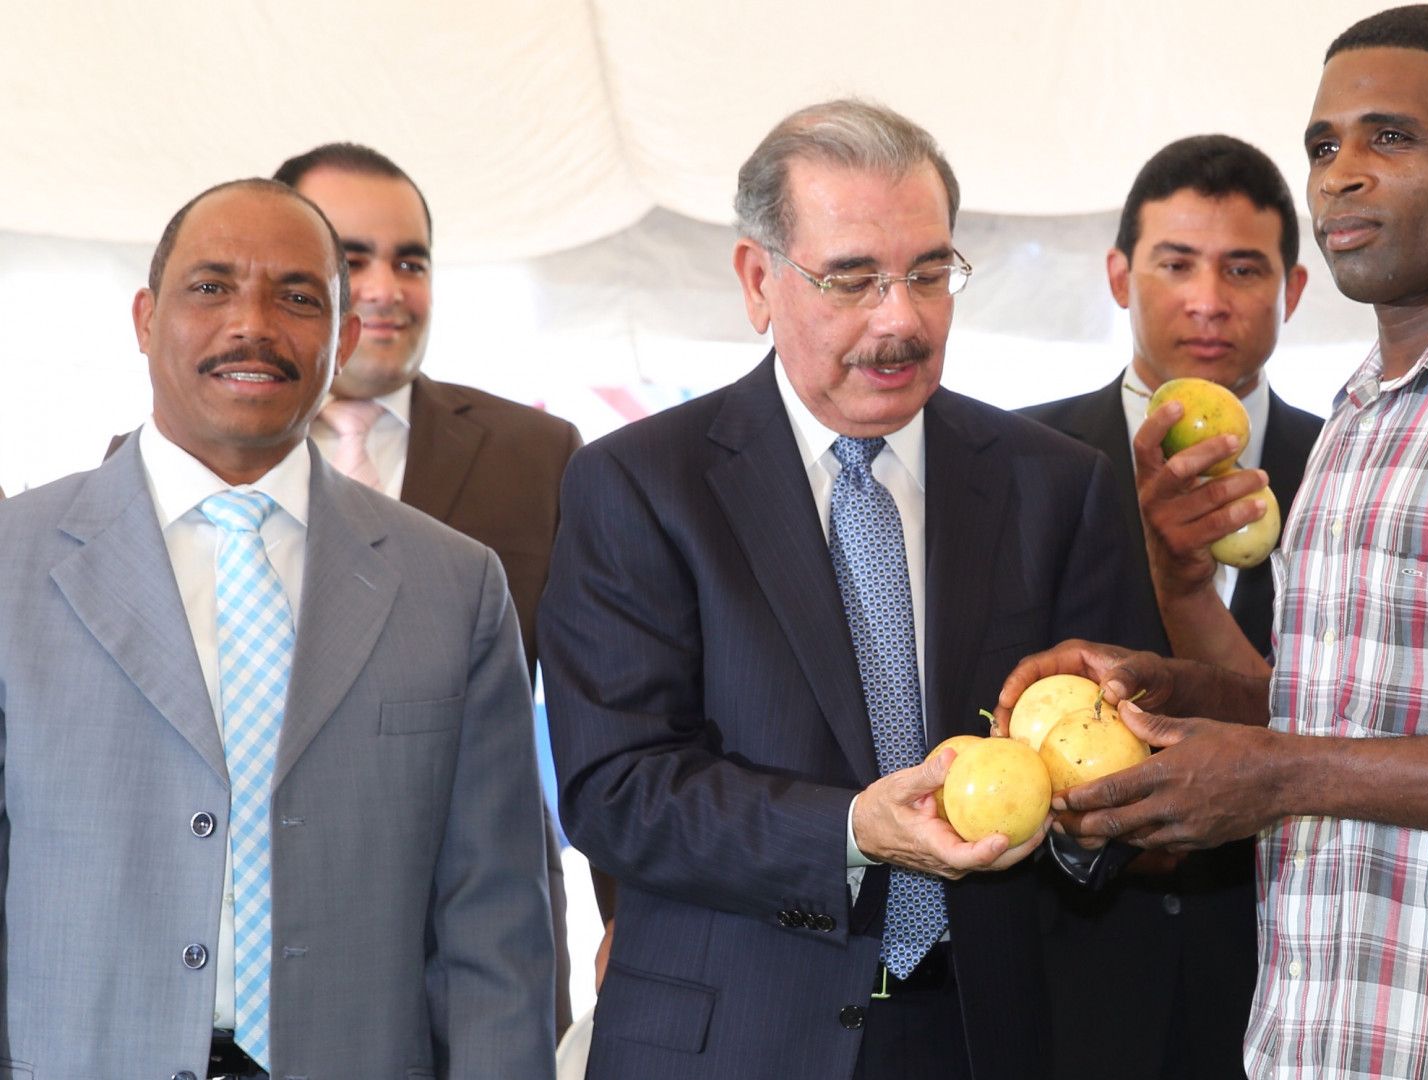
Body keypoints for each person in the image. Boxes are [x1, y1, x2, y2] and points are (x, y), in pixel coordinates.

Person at [1000, 7, 1428, 1076]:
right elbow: (1349, 715)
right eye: (1324, 146)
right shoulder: (1362, 416)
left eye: (1391, 137)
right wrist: (1168, 690)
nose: (1341, 175)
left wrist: (1282, 776)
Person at [539, 99, 1132, 1079]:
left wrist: (1087, 818)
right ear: (757, 280)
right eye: (853, 279)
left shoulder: (1056, 485)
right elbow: (617, 789)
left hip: (981, 1035)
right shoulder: (640, 484)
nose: (901, 319)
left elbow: (1116, 774)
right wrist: (855, 830)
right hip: (736, 1039)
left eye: (929, 274)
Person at [0, 179, 554, 1077]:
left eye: (297, 298)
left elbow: (495, 925)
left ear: (342, 339)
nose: (252, 325)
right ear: (145, 318)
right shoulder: (13, 564)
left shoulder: (454, 587)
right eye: (210, 287)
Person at [1019, 134, 1321, 1080]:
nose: (1208, 300)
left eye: (1244, 269)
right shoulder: (1022, 464)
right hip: (1070, 978)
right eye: (1176, 263)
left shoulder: (1352, 470)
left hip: (1291, 980)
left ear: (1293, 290)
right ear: (1119, 275)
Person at [272, 141, 585, 1034]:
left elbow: (598, 711)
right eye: (352, 259)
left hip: (480, 942)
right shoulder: (187, 462)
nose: (386, 289)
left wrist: (635, 921)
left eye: (410, 261)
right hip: (249, 938)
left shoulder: (538, 456)